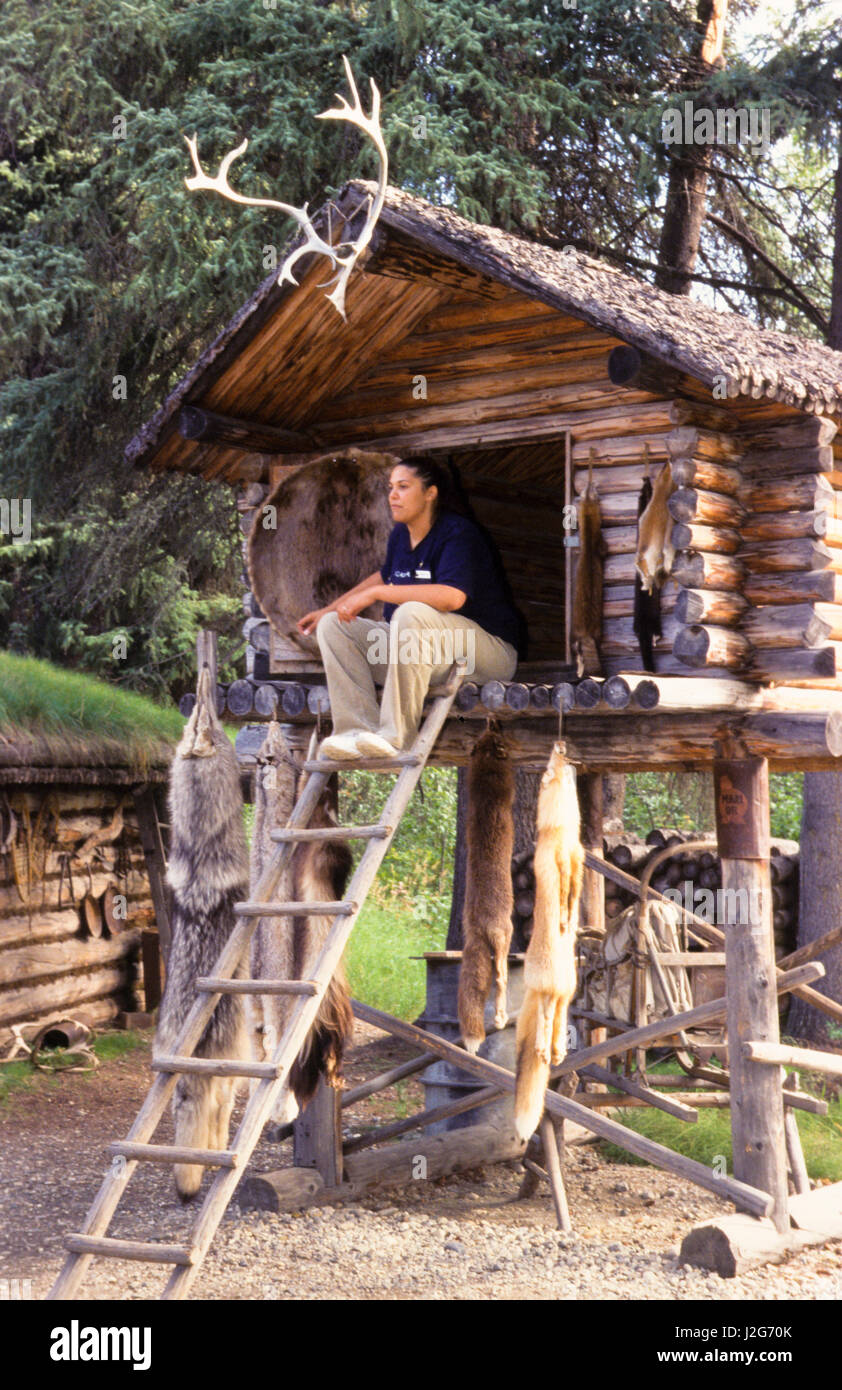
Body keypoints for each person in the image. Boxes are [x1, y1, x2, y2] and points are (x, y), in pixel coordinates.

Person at [297, 456, 523, 759]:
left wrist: (380, 593)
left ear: (430, 493)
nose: (392, 495)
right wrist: (330, 609)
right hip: (423, 655)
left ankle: (396, 737)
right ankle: (354, 732)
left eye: (403, 487)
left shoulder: (458, 533)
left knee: (410, 612)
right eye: (390, 487)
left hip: (483, 653)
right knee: (334, 627)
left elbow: (452, 597)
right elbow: (384, 576)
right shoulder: (400, 536)